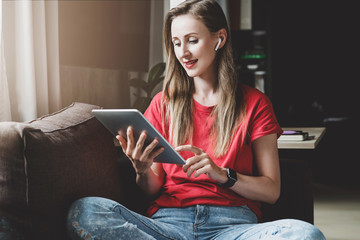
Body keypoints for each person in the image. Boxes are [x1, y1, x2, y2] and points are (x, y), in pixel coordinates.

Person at [67, 0, 326, 239]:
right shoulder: (162, 103)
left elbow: (271, 191)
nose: (183, 53)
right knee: (86, 210)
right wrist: (141, 169)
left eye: (192, 40)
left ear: (219, 39)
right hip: (168, 226)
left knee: (305, 234)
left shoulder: (255, 103)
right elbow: (152, 187)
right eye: (176, 43)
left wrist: (223, 175)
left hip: (232, 227)